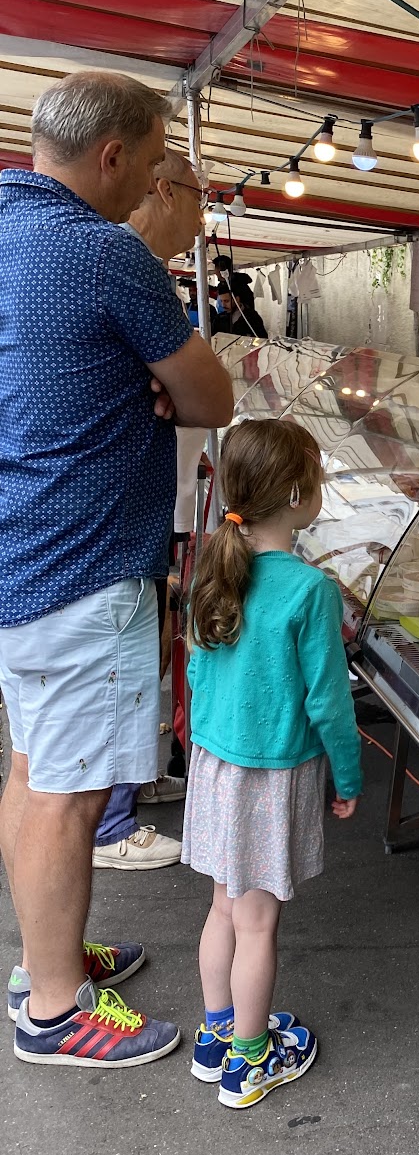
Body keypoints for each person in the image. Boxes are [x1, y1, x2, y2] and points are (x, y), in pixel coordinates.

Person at [0, 69, 234, 1067]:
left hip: (21, 552)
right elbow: (211, 397)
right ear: (111, 155)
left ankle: (44, 959)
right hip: (84, 563)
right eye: (147, 165)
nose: (149, 186)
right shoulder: (104, 254)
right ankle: (56, 1011)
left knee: (31, 770)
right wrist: (151, 383)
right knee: (72, 794)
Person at [183, 418, 362, 1108]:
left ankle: (216, 1035)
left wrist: (204, 748)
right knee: (258, 924)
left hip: (216, 767)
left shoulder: (215, 566)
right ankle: (251, 1060)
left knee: (223, 908)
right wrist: (348, 776)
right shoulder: (310, 591)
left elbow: (197, 673)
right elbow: (330, 704)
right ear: (295, 495)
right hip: (270, 777)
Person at [92, 147, 214, 871]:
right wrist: (180, 386)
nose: (204, 218)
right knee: (122, 667)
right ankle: (111, 824)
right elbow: (208, 394)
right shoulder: (125, 262)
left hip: (146, 509)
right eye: (201, 198)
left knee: (144, 655)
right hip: (125, 521)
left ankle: (128, 789)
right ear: (163, 190)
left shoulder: (141, 269)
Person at [213, 255, 267, 338]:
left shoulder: (240, 286)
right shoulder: (219, 319)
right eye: (222, 301)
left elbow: (261, 338)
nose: (215, 272)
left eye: (216, 269)